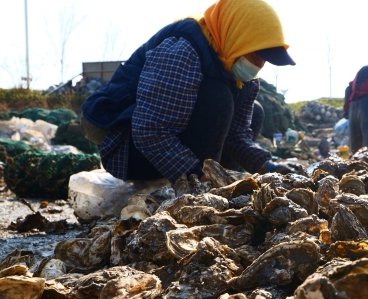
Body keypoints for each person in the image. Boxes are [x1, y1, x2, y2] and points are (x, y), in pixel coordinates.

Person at [80, 0, 296, 184]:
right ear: (238, 37)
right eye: (257, 56)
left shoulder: (241, 74)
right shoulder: (182, 51)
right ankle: (202, 185)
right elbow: (149, 131)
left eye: (264, 60)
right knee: (217, 96)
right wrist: (195, 175)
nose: (259, 65)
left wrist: (266, 166)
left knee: (255, 111)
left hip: (180, 145)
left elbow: (236, 136)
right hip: (134, 153)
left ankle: (216, 181)